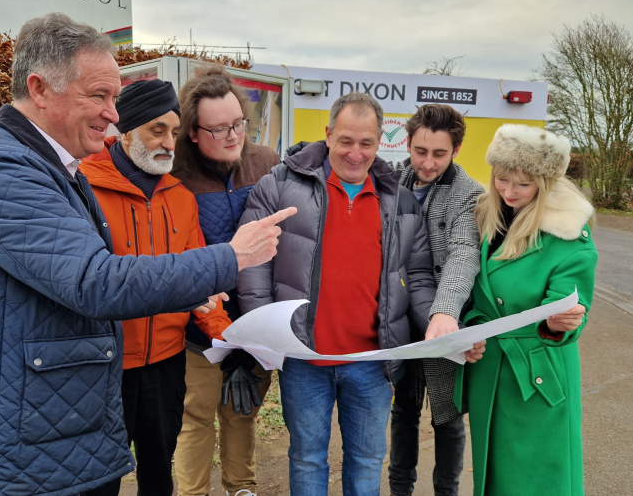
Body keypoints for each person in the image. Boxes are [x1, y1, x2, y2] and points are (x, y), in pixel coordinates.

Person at [0, 13, 294, 496]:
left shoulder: (53, 168)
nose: (113, 113)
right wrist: (231, 257)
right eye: (100, 96)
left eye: (115, 98)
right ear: (40, 89)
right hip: (3, 449)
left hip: (41, 423)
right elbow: (95, 281)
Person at [236, 92, 482, 496]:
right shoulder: (279, 185)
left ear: (379, 141)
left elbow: (417, 277)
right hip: (305, 359)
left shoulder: (399, 201)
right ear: (329, 134)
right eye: (346, 141)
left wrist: (444, 327)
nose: (355, 153)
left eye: (366, 143)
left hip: (372, 364)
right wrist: (263, 332)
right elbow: (253, 263)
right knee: (307, 458)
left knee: (367, 460)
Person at [78, 78, 233, 496]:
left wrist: (229, 336)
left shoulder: (181, 198)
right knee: (98, 480)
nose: (169, 143)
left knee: (159, 471)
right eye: (156, 130)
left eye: (174, 131)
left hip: (166, 364)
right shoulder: (82, 189)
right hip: (104, 367)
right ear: (124, 131)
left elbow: (201, 280)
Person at [460, 124, 597, 496]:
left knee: (537, 479)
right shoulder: (488, 216)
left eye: (522, 184)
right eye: (502, 180)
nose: (508, 191)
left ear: (545, 182)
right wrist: (469, 329)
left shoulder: (568, 237)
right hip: (491, 370)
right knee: (496, 477)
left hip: (536, 374)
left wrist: (559, 322)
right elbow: (478, 297)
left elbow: (570, 317)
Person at [171, 67, 280, 496]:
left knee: (243, 412)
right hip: (195, 327)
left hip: (256, 322)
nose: (233, 136)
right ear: (193, 132)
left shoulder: (266, 163)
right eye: (219, 129)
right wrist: (206, 325)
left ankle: (242, 489)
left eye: (238, 123)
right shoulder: (175, 173)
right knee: (194, 418)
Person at [389, 104, 484, 496]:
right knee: (403, 411)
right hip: (399, 318)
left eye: (439, 154)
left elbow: (464, 253)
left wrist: (445, 313)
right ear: (408, 144)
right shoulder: (390, 182)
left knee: (448, 417)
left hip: (445, 321)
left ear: (456, 150)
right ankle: (399, 490)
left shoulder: (469, 194)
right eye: (420, 151)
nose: (428, 163)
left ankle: (446, 492)